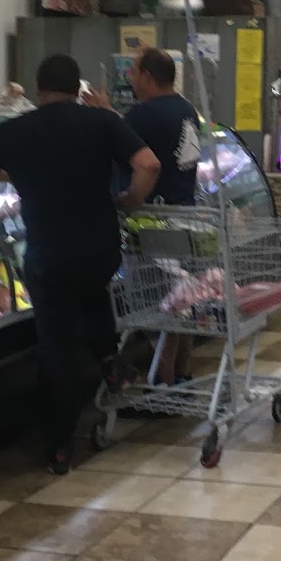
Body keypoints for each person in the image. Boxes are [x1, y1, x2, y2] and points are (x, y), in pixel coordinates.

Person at [0, 55, 160, 474]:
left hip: (48, 255)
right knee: (93, 292)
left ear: (37, 90)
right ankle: (110, 362)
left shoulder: (14, 128)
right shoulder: (102, 122)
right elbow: (148, 163)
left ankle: (60, 446)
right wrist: (131, 200)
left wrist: (17, 174)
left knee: (57, 351)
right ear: (77, 89)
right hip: (99, 248)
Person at [83, 48, 202, 385]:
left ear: (148, 77)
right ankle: (182, 376)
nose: (130, 79)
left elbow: (131, 153)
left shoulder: (144, 113)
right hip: (185, 216)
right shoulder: (185, 108)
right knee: (181, 301)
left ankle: (162, 387)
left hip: (152, 222)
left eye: (133, 72)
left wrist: (129, 199)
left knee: (156, 306)